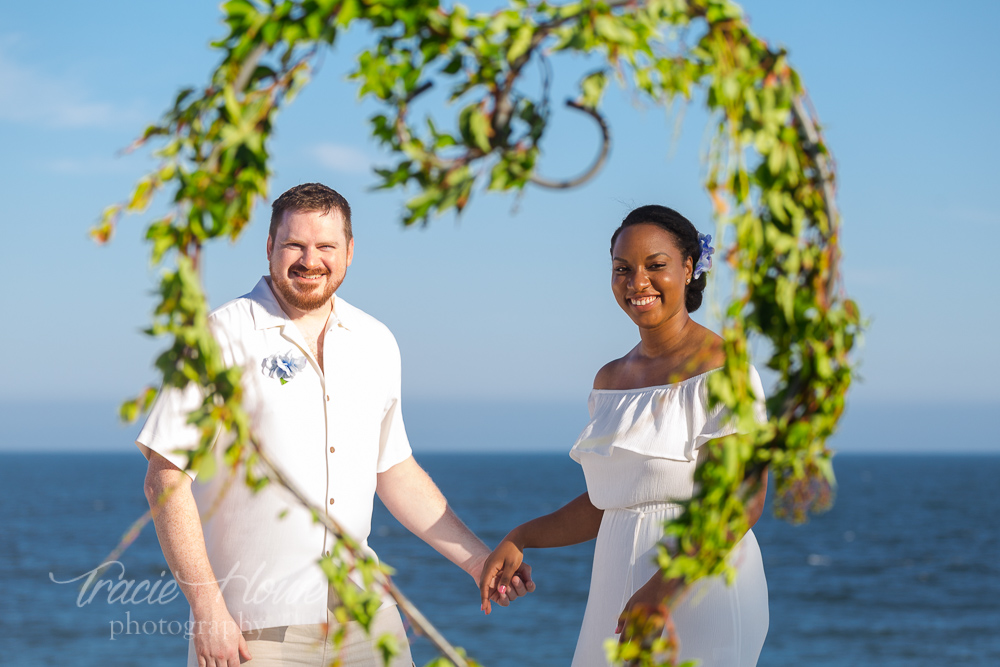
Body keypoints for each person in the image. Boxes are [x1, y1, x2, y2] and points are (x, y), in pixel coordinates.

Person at [138, 183, 532, 667]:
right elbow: (166, 476)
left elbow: (394, 471)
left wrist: (477, 561)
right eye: (294, 246)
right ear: (269, 248)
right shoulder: (217, 338)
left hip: (368, 622)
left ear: (349, 252)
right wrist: (206, 607)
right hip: (253, 628)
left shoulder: (376, 341)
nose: (310, 260)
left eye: (325, 246)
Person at [479, 205, 769, 667]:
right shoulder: (610, 380)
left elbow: (741, 501)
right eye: (623, 269)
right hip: (617, 592)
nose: (638, 282)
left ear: (689, 267)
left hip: (698, 587)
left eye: (655, 266)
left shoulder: (722, 368)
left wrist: (662, 589)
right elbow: (607, 502)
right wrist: (522, 536)